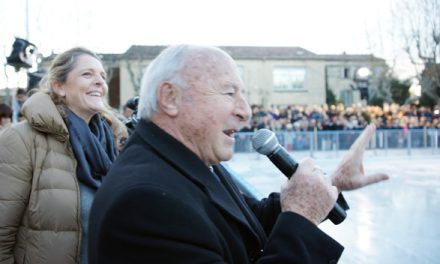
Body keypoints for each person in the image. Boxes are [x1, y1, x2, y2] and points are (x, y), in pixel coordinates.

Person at [88, 45, 388, 263]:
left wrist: (327, 186)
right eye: (230, 93)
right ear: (170, 98)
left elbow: (244, 223)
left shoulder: (187, 160)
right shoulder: (144, 202)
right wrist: (301, 218)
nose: (246, 111)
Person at [0, 47, 128, 264]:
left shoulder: (116, 143)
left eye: (102, 76)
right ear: (59, 87)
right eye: (87, 74)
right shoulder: (21, 139)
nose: (100, 82)